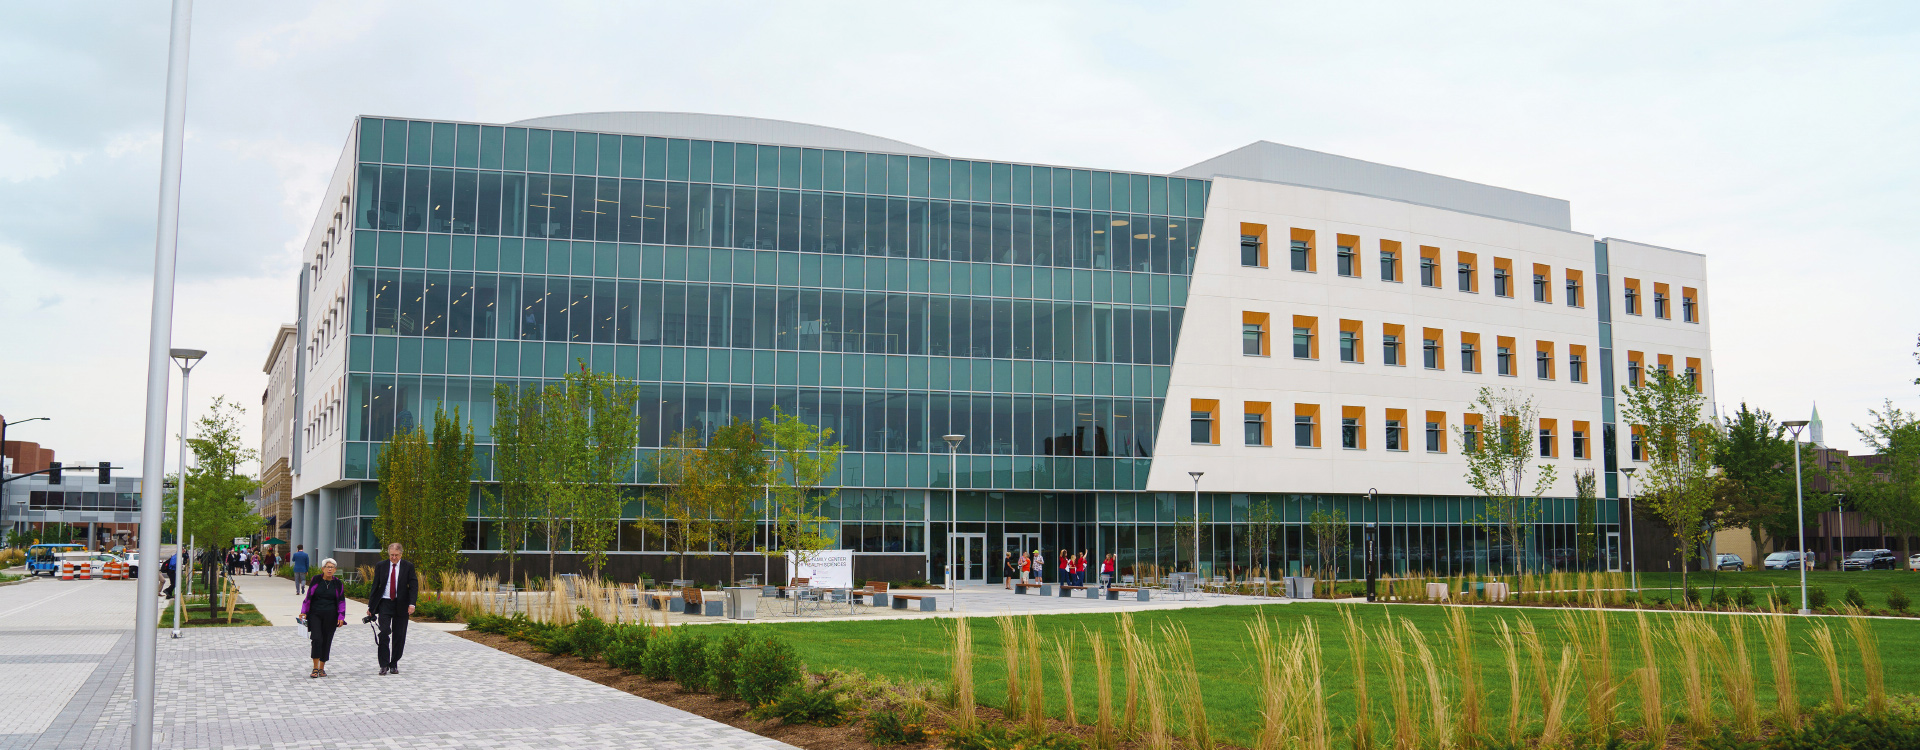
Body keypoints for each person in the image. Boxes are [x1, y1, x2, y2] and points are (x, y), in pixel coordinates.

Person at [367, 542, 418, 675]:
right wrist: (371, 606)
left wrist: (412, 604)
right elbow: (375, 586)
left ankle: (394, 663)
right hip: (385, 603)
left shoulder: (408, 566)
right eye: (391, 555)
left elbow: (413, 586)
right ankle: (383, 664)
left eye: (396, 555)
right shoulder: (381, 566)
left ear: (401, 554)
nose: (393, 557)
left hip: (402, 605)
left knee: (399, 635)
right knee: (384, 632)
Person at [301, 558, 346, 678]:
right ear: (323, 569)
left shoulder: (337, 583)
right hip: (315, 614)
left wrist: (341, 616)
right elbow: (309, 597)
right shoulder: (316, 579)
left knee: (327, 640)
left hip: (331, 616)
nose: (330, 569)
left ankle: (322, 668)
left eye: (332, 567)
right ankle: (315, 668)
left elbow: (341, 601)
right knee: (316, 639)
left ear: (335, 570)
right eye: (327, 567)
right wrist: (303, 612)